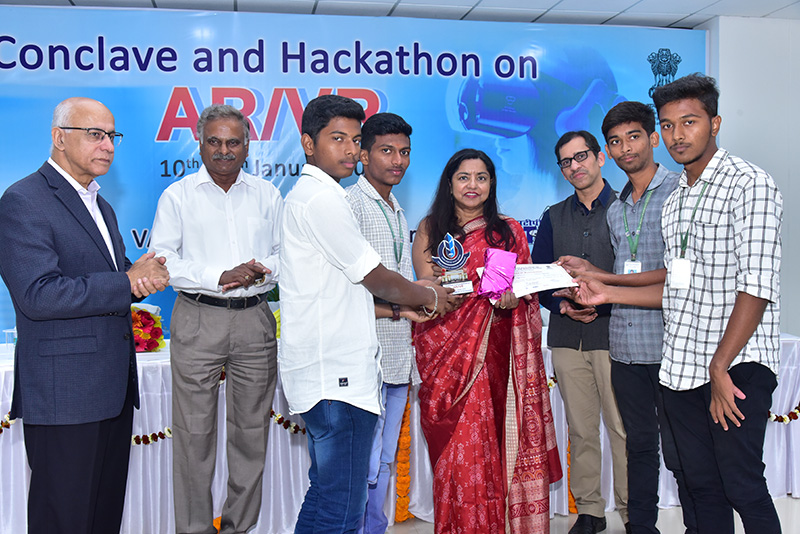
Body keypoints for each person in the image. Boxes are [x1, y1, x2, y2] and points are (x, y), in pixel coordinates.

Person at [562, 74, 783, 534]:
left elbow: (757, 286)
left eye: (689, 122)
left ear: (714, 123)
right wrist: (607, 290)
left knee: (741, 484)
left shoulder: (749, 184)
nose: (677, 135)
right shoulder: (680, 198)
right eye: (668, 125)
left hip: (735, 362)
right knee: (700, 485)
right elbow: (676, 284)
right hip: (683, 363)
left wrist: (720, 366)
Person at [280, 94, 454, 534]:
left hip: (334, 370)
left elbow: (348, 288)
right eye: (337, 138)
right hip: (336, 376)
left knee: (326, 494)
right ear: (308, 143)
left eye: (354, 140)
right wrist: (427, 297)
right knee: (342, 506)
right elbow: (374, 276)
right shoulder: (323, 200)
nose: (349, 150)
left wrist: (405, 306)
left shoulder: (321, 195)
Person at [0, 97, 169, 534]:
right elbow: (38, 295)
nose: (108, 145)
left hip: (112, 391)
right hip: (65, 396)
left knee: (102, 518)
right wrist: (127, 281)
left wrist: (141, 275)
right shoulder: (23, 200)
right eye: (95, 134)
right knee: (64, 520)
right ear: (59, 138)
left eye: (112, 136)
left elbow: (110, 275)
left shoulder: (100, 203)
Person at [559, 102, 696, 534]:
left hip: (673, 343)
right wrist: (591, 274)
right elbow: (623, 272)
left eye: (633, 137)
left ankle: (698, 524)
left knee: (682, 449)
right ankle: (642, 525)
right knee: (638, 444)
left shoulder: (680, 193)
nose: (625, 148)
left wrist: (604, 281)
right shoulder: (618, 209)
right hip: (625, 345)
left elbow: (681, 274)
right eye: (616, 141)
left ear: (653, 138)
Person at [149, 104, 283, 534]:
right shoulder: (178, 196)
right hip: (197, 317)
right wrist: (219, 276)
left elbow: (287, 254)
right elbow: (163, 261)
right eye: (214, 141)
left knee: (251, 433)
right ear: (200, 144)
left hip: (254, 318)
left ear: (248, 146)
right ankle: (194, 529)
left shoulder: (268, 194)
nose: (224, 150)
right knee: (193, 435)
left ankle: (238, 527)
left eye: (233, 142)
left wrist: (264, 268)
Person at [412, 148, 561, 534]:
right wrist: (451, 285)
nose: (472, 185)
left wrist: (512, 298)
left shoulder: (507, 231)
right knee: (456, 456)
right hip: (444, 356)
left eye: (481, 177)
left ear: (492, 184)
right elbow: (426, 290)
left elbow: (517, 290)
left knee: (490, 448)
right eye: (463, 177)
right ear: (449, 184)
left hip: (493, 355)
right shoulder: (430, 229)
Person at [530, 131, 628, 534]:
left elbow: (637, 275)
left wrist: (601, 301)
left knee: (622, 428)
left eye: (581, 156)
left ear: (600, 158)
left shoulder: (626, 209)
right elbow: (538, 280)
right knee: (581, 429)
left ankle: (633, 511)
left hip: (617, 336)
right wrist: (563, 306)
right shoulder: (553, 216)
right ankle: (589, 510)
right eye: (566, 161)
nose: (575, 166)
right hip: (567, 338)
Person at [344, 112, 426, 534]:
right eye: (387, 151)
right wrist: (403, 308)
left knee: (385, 457)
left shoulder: (396, 209)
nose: (398, 161)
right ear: (363, 154)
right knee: (363, 461)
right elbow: (347, 293)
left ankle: (374, 527)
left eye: (405, 152)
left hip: (396, 356)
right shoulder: (350, 206)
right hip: (363, 356)